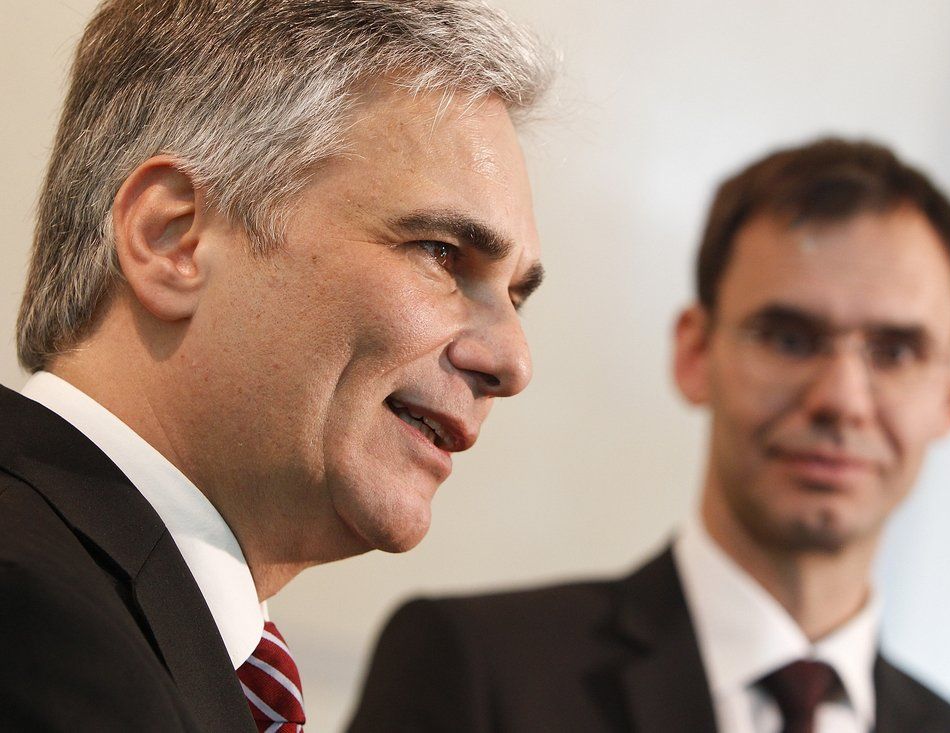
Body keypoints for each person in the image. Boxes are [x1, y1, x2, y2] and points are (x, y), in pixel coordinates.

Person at [0, 1, 552, 730]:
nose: (513, 361)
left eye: (516, 296)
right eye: (442, 253)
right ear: (172, 240)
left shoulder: (133, 630)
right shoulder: (27, 621)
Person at [349, 137, 950, 733]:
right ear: (694, 353)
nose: (841, 400)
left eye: (896, 352)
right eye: (790, 339)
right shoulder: (475, 669)